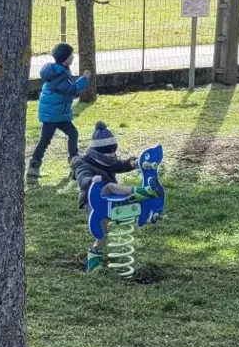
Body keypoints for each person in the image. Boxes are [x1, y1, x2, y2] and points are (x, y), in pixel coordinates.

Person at [72, 124, 160, 272]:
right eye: (109, 154)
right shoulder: (84, 163)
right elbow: (82, 178)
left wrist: (133, 163)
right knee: (112, 187)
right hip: (92, 200)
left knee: (103, 236)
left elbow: (119, 165)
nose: (112, 156)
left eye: (114, 152)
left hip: (107, 200)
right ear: (98, 152)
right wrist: (91, 180)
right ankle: (144, 192)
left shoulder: (107, 161)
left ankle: (93, 266)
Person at [30, 43, 89, 181]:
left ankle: (75, 166)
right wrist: (85, 78)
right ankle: (33, 168)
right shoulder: (58, 74)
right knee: (45, 140)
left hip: (59, 114)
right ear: (65, 59)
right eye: (71, 55)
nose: (73, 57)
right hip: (52, 115)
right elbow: (71, 90)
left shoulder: (60, 70)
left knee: (72, 133)